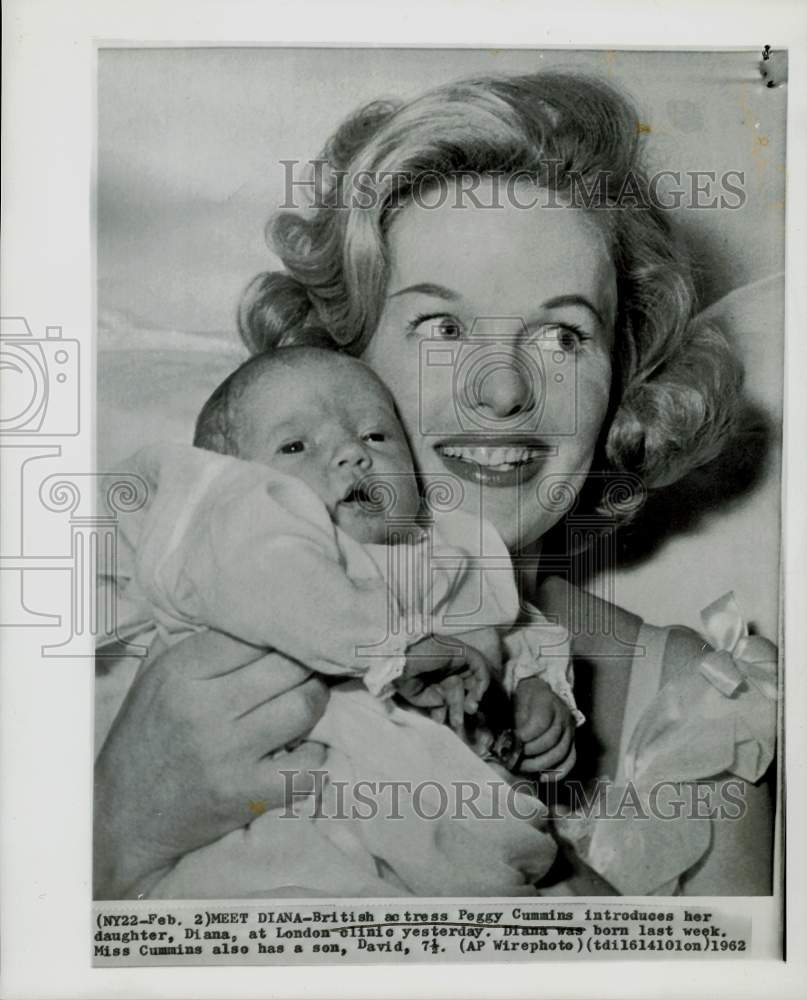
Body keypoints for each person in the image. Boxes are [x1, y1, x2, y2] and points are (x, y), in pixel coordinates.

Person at [95, 69, 777, 898]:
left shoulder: (706, 709)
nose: (501, 391)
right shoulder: (139, 635)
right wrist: (116, 828)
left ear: (622, 385)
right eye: (443, 327)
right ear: (335, 357)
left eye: (562, 336)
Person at [105, 345, 584, 896]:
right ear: (231, 489)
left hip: (458, 850)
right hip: (293, 832)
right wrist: (399, 647)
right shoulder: (240, 563)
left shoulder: (448, 556)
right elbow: (292, 598)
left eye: (377, 436)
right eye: (295, 445)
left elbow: (514, 631)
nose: (353, 455)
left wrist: (534, 689)